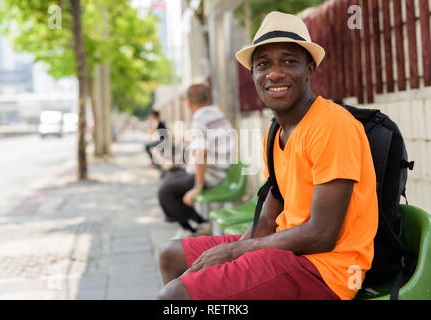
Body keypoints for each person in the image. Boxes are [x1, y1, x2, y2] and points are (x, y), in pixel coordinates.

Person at [157, 11, 378, 300]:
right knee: (171, 255)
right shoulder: (275, 133)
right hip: (288, 251)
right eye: (263, 64)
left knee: (175, 296)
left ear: (310, 68)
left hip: (327, 270)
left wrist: (235, 251)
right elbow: (266, 222)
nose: (274, 73)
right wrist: (231, 252)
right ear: (254, 75)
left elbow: (323, 234)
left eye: (288, 61)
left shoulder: (332, 124)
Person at [157, 83, 234, 240]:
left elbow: (201, 153)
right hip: (219, 170)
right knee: (170, 178)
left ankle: (194, 226)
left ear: (189, 103)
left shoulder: (199, 117)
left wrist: (198, 187)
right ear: (208, 98)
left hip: (209, 174)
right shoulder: (218, 114)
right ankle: (198, 223)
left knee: (165, 192)